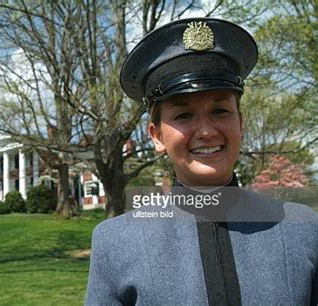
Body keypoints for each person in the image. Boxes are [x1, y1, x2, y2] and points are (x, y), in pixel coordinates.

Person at [85, 18, 317, 305]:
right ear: (157, 136)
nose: (207, 131)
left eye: (220, 111)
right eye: (184, 115)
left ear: (240, 123)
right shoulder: (116, 242)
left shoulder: (303, 228)